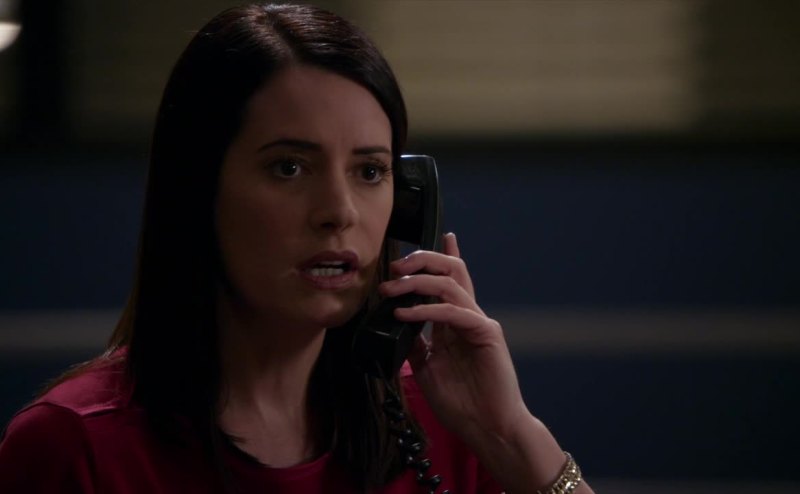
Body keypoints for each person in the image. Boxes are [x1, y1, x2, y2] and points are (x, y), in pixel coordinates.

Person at [0, 3, 593, 493]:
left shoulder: (444, 420)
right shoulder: (74, 445)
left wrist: (512, 437)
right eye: (289, 167)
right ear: (197, 187)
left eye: (370, 171)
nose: (339, 211)